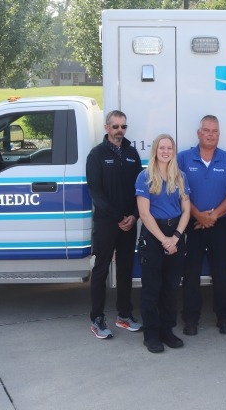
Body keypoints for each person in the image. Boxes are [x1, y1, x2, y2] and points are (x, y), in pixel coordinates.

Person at [178, 115, 226, 335]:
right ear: (198, 133)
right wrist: (198, 215)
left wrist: (213, 216)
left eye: (214, 131)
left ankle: (225, 317)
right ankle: (190, 319)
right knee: (190, 274)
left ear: (219, 134)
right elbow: (178, 191)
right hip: (191, 225)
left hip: (220, 225)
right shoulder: (184, 158)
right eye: (206, 130)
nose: (210, 134)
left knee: (223, 273)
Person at [85, 110, 143, 339]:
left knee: (126, 269)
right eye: (115, 126)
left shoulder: (132, 154)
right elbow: (95, 192)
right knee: (100, 270)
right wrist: (119, 217)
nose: (120, 130)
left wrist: (135, 216)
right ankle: (97, 319)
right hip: (107, 223)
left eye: (123, 126)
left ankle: (124, 315)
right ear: (107, 128)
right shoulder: (96, 155)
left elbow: (141, 188)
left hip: (129, 223)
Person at [135, 134, 191, 353]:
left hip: (175, 233)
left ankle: (167, 331)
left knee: (170, 287)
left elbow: (186, 210)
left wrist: (175, 237)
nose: (165, 151)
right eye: (162, 148)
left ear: (173, 151)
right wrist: (164, 241)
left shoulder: (181, 176)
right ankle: (151, 334)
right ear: (155, 150)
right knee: (151, 288)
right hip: (153, 234)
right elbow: (144, 214)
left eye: (169, 148)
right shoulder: (145, 176)